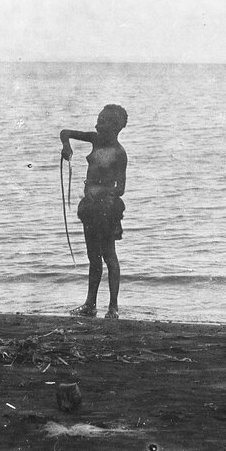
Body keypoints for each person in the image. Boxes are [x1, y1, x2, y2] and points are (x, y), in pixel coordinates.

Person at [60, 104, 129, 319]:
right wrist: (66, 147)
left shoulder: (119, 153)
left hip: (107, 209)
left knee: (109, 255)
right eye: (97, 119)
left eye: (103, 121)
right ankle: (90, 305)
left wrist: (100, 191)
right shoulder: (95, 140)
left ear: (115, 127)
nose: (97, 124)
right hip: (91, 208)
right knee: (93, 257)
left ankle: (113, 307)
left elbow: (121, 188)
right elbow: (65, 133)